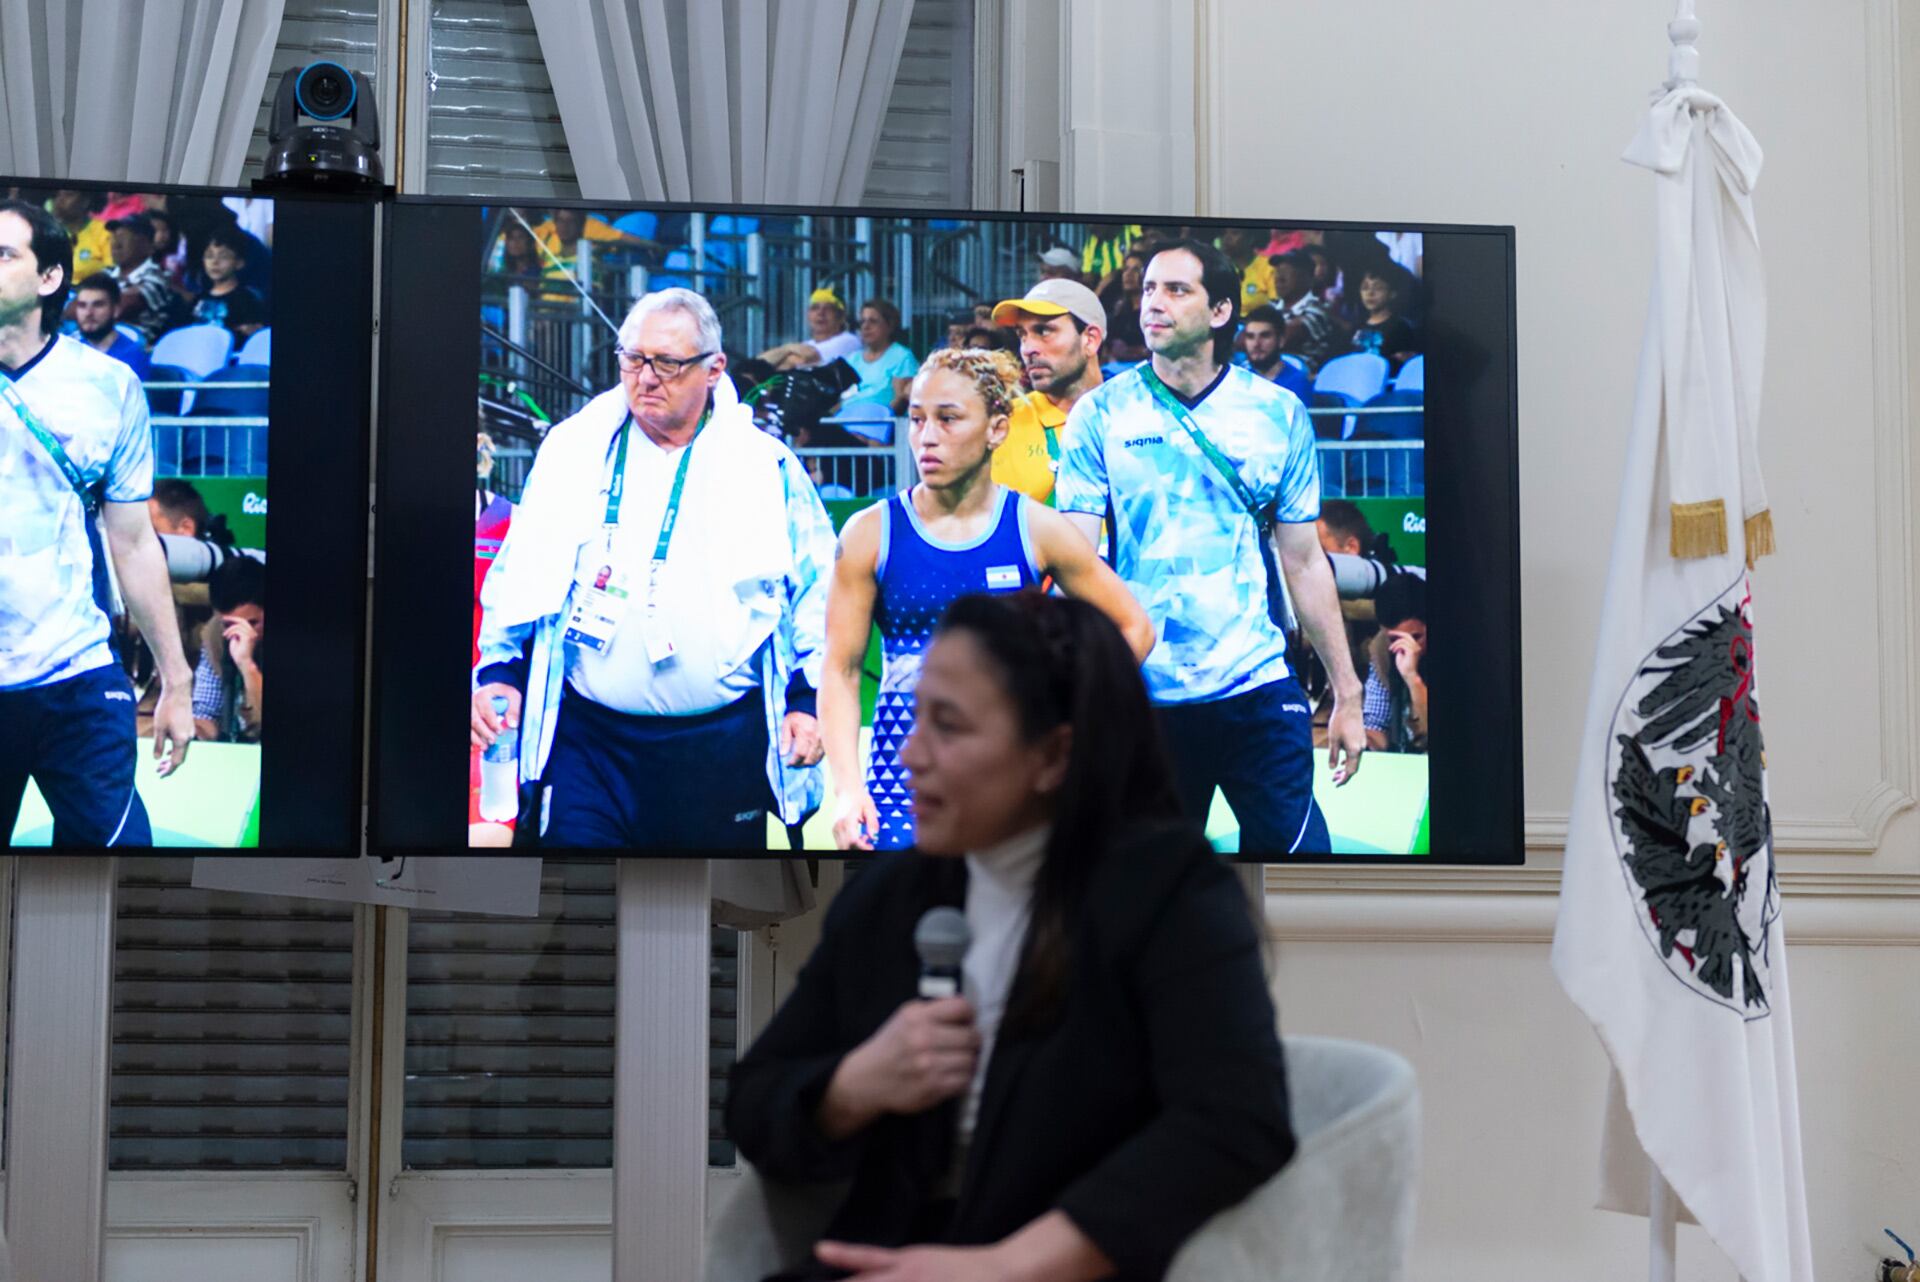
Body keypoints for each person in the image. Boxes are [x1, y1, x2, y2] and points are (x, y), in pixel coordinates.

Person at [729, 591, 1294, 1282]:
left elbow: (1237, 1122)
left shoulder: (1171, 895)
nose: (909, 755)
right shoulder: (895, 894)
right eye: (916, 718)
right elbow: (754, 1103)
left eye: (949, 727)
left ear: (1054, 755)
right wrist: (854, 1084)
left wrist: (1005, 1268)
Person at [471, 288, 836, 848]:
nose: (646, 377)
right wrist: (500, 673)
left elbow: (818, 592)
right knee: (581, 905)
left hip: (721, 745)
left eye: (667, 362)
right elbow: (519, 575)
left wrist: (808, 701)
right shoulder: (574, 452)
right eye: (633, 359)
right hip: (590, 744)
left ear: (714, 369)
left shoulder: (766, 466)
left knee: (719, 914)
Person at [1054, 238, 1367, 855]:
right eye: (1148, 289)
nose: (1153, 304)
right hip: (1146, 695)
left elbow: (1304, 562)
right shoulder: (1100, 415)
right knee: (1145, 897)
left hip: (1256, 685)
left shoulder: (1278, 413)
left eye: (1176, 290)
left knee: (1304, 873)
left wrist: (1348, 694)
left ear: (1220, 311)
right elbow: (1077, 561)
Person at [822, 348, 1153, 851]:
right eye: (916, 419)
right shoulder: (870, 534)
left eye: (948, 419)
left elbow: (1135, 629)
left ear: (997, 428)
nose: (926, 436)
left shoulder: (1037, 529)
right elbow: (841, 669)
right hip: (900, 797)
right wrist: (848, 790)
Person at [0, 199, 194, 847]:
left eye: (5, 255)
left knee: (122, 868)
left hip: (75, 677)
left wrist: (176, 679)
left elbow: (134, 543)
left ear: (49, 278)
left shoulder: (109, 386)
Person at [988, 279, 1108, 506]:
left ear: (1090, 340)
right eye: (1022, 335)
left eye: (1043, 331)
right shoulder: (1001, 426)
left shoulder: (1135, 419)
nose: (1027, 349)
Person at [192, 553, 265, 743]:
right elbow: (207, 714)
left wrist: (247, 665)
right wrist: (193, 730)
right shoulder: (214, 635)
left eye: (253, 623)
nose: (242, 633)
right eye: (229, 625)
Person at [1364, 572, 1428, 753]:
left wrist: (1412, 678)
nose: (1408, 647)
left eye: (1416, 637)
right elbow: (1376, 724)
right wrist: (1365, 742)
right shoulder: (1380, 649)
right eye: (1395, 639)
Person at [107, 212, 187, 347]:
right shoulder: (106, 273)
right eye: (114, 237)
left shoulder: (160, 276)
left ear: (146, 244)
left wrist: (91, 305)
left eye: (124, 237)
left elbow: (121, 308)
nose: (116, 244)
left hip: (137, 348)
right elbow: (70, 309)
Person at [840, 298, 918, 415]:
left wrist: (879, 420)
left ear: (890, 325)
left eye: (873, 321)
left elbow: (901, 400)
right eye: (862, 322)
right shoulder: (852, 359)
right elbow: (838, 399)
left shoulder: (902, 357)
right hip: (844, 421)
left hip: (879, 425)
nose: (865, 327)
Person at [1268, 248, 1338, 375]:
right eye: (1277, 271)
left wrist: (1256, 336)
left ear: (1307, 277)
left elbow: (1285, 338)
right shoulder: (1271, 305)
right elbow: (1240, 340)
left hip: (1299, 377)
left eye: (1287, 272)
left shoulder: (1320, 309)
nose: (1279, 278)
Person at [760, 286, 862, 371]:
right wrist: (788, 349)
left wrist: (786, 350)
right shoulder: (806, 345)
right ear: (808, 315)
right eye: (815, 308)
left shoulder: (849, 341)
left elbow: (807, 357)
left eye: (829, 308)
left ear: (841, 317)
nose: (820, 313)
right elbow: (759, 363)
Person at [68, 274, 150, 380]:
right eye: (82, 305)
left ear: (116, 310)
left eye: (98, 305)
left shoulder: (133, 356)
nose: (88, 313)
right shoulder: (67, 352)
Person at [191, 229, 269, 340]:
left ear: (239, 263)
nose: (215, 262)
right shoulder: (199, 299)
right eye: (209, 256)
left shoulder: (247, 299)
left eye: (223, 256)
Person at [1347, 262, 1421, 370]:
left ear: (1392, 293)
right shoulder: (1357, 327)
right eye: (1365, 288)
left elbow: (1403, 361)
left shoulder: (1401, 327)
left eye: (1378, 288)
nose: (1370, 293)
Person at [1238, 303, 1314, 406]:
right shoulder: (1238, 381)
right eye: (1250, 337)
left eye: (1265, 336)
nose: (1256, 344)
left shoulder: (1297, 383)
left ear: (1281, 340)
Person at [47, 190, 113, 284]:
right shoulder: (51, 233)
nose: (60, 200)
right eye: (58, 195)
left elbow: (112, 271)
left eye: (68, 195)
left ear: (85, 201)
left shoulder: (105, 231)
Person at [1095, 251, 1149, 365]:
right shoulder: (1118, 312)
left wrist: (1132, 351)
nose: (1128, 274)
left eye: (1135, 269)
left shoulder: (1151, 313)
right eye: (1126, 269)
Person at [1216, 225, 1277, 314]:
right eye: (1223, 233)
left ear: (1250, 238)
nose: (1226, 238)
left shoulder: (1269, 267)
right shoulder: (1221, 269)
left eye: (1234, 233)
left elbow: (1277, 304)